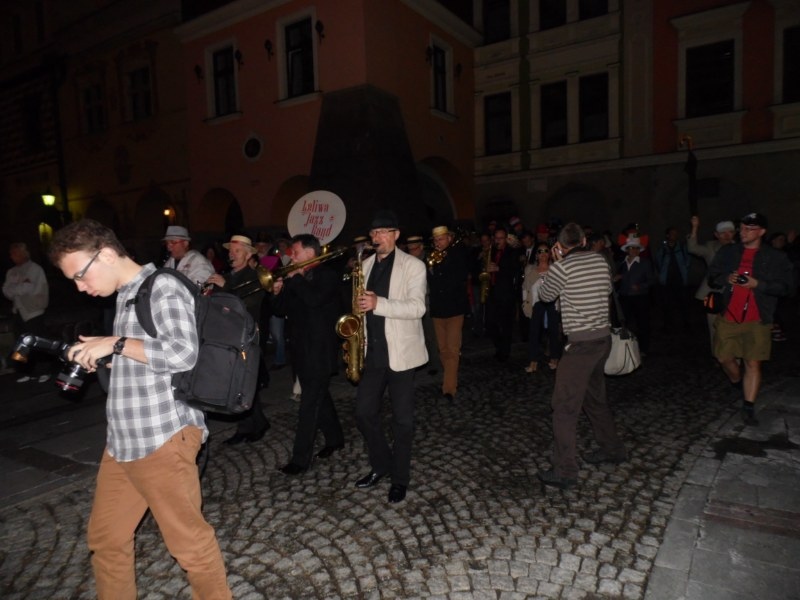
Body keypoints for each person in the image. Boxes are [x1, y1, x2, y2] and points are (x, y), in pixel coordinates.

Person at [48, 219, 231, 599]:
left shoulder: (162, 285)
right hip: (123, 441)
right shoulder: (127, 293)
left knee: (189, 545)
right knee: (106, 540)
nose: (80, 287)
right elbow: (144, 355)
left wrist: (115, 343)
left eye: (80, 275)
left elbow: (182, 353)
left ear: (107, 255)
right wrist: (104, 355)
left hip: (162, 436)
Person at [537, 223, 626, 490]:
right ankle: (612, 449)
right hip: (602, 340)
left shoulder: (562, 267)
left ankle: (565, 470)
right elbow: (607, 291)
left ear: (560, 245)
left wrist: (555, 264)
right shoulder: (600, 261)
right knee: (595, 399)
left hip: (580, 346)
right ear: (585, 240)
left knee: (564, 407)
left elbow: (545, 295)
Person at [353, 210, 428, 504]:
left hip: (401, 354)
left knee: (403, 421)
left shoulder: (414, 266)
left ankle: (400, 478)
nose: (377, 237)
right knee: (363, 413)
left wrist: (378, 303)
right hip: (372, 353)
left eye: (384, 232)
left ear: (396, 235)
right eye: (374, 233)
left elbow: (417, 308)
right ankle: (381, 463)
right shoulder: (365, 265)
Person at [707, 212, 794, 426]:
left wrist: (758, 284)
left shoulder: (776, 257)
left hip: (758, 319)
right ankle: (737, 381)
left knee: (753, 363)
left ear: (761, 232)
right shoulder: (729, 252)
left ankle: (748, 406)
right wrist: (726, 278)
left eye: (749, 229)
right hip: (729, 315)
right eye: (743, 228)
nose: (743, 232)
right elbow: (713, 276)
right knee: (723, 358)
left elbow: (787, 288)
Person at [272, 234, 345, 475]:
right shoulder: (296, 278)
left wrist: (295, 279)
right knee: (319, 396)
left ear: (310, 253)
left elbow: (314, 300)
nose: (291, 257)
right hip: (300, 349)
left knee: (309, 403)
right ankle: (335, 438)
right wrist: (277, 292)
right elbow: (279, 311)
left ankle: (300, 460)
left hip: (319, 349)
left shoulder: (327, 275)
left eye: (295, 252)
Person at [206, 235, 270, 444]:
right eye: (230, 251)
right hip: (228, 336)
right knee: (236, 384)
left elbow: (246, 306)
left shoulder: (255, 276)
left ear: (249, 254)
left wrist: (225, 286)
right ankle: (248, 426)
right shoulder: (227, 276)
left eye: (237, 251)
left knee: (246, 382)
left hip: (248, 336)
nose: (231, 255)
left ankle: (254, 425)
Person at [427, 225, 470, 401]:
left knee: (452, 349)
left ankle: (449, 387)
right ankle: (450, 375)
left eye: (441, 239)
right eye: (436, 240)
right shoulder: (431, 257)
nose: (438, 242)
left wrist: (443, 261)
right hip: (438, 309)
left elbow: (460, 276)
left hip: (454, 308)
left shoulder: (457, 254)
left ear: (449, 239)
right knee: (442, 349)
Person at [687, 216, 736, 354]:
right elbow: (692, 248)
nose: (727, 235)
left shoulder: (740, 248)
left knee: (735, 325)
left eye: (730, 232)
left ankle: (735, 356)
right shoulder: (710, 247)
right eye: (723, 233)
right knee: (714, 325)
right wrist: (695, 227)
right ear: (716, 234)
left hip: (734, 292)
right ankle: (718, 355)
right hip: (713, 292)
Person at [3, 242, 50, 383]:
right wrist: (17, 288)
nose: (13, 257)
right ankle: (26, 371)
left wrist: (15, 288)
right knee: (20, 344)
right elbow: (6, 290)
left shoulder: (34, 269)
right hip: (18, 311)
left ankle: (44, 371)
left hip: (33, 311)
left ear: (24, 253)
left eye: (16, 253)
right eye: (12, 254)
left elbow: (27, 288)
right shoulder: (11, 272)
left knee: (38, 342)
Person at [522, 243, 562, 373]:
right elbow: (525, 287)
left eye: (546, 251)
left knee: (553, 333)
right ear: (536, 255)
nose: (543, 253)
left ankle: (554, 359)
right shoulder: (530, 269)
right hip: (536, 303)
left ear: (550, 254)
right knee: (534, 333)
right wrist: (525, 303)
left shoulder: (555, 269)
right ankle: (533, 361)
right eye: (540, 251)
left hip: (552, 303)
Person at [615, 234, 655, 355]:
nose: (634, 250)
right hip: (624, 297)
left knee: (642, 323)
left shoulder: (645, 263)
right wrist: (617, 278)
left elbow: (651, 280)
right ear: (627, 249)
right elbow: (619, 277)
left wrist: (640, 286)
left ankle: (643, 348)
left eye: (637, 248)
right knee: (623, 323)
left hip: (640, 297)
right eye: (632, 248)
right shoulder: (621, 263)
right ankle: (623, 348)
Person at [485, 226, 520, 361]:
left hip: (506, 293)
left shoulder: (512, 252)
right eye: (496, 238)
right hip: (493, 292)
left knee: (506, 324)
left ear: (506, 239)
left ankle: (504, 351)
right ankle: (500, 346)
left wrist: (499, 268)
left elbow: (515, 270)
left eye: (501, 238)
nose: (498, 241)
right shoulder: (491, 251)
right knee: (490, 323)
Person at [655, 226, 692, 330]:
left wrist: (684, 270)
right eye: (672, 234)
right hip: (667, 281)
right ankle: (668, 325)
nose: (674, 236)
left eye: (675, 234)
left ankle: (685, 324)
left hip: (680, 280)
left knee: (683, 303)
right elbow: (658, 262)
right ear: (667, 235)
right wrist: (663, 273)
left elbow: (688, 261)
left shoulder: (682, 247)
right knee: (667, 304)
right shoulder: (663, 248)